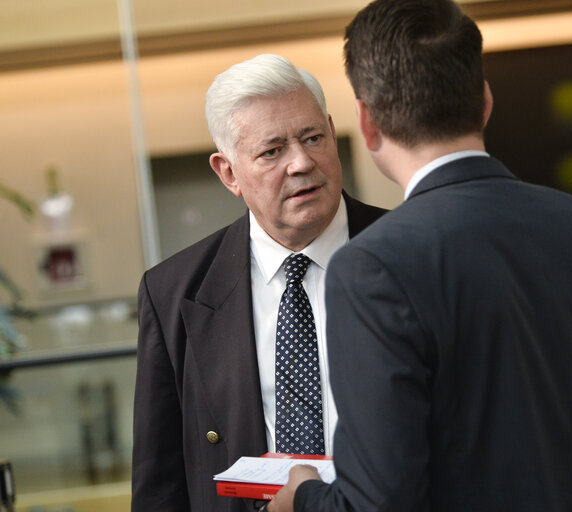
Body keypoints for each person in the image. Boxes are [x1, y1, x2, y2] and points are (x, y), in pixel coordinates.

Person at [268, 1, 572, 511]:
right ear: (484, 101)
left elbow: (379, 502)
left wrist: (301, 498)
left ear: (367, 122)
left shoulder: (372, 266)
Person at [131, 54, 387, 512]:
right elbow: (159, 483)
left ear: (332, 131)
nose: (301, 163)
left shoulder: (409, 255)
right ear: (228, 172)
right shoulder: (173, 292)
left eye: (313, 138)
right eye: (272, 151)